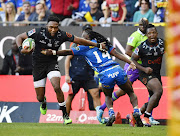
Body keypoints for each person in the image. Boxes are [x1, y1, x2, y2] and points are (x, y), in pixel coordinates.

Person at [41, 28, 143, 127]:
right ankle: (136, 110)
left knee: (107, 96)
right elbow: (117, 54)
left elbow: (67, 52)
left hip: (105, 73)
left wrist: (54, 52)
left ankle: (111, 113)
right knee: (130, 92)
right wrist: (130, 62)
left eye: (84, 38)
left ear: (89, 39)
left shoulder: (83, 47)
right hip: (117, 69)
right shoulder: (104, 43)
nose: (82, 40)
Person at [15, 15, 107, 125]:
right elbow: (19, 37)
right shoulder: (38, 32)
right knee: (39, 97)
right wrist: (21, 49)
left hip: (51, 63)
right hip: (38, 65)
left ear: (58, 27)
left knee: (57, 86)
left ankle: (65, 115)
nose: (53, 30)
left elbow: (79, 40)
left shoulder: (62, 34)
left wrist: (97, 44)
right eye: (51, 27)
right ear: (47, 26)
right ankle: (43, 102)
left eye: (55, 27)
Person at [97, 18, 160, 126]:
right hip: (134, 67)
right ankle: (102, 108)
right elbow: (127, 51)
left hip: (145, 67)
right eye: (141, 24)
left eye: (145, 24)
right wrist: (140, 58)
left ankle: (149, 116)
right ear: (138, 25)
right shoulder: (135, 36)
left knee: (152, 90)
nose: (143, 26)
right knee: (123, 90)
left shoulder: (149, 35)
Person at [131, 24, 165, 127]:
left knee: (155, 102)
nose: (152, 35)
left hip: (156, 74)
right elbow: (133, 60)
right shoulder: (142, 47)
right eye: (149, 33)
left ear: (157, 33)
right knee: (158, 90)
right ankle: (146, 117)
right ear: (146, 35)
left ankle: (134, 116)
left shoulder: (162, 43)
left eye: (154, 33)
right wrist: (144, 69)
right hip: (145, 73)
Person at [65, 25, 101, 115]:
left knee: (95, 94)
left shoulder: (94, 44)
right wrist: (66, 75)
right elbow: (68, 58)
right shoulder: (76, 43)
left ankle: (99, 117)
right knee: (70, 96)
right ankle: (66, 117)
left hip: (89, 75)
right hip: (75, 75)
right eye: (86, 31)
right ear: (82, 32)